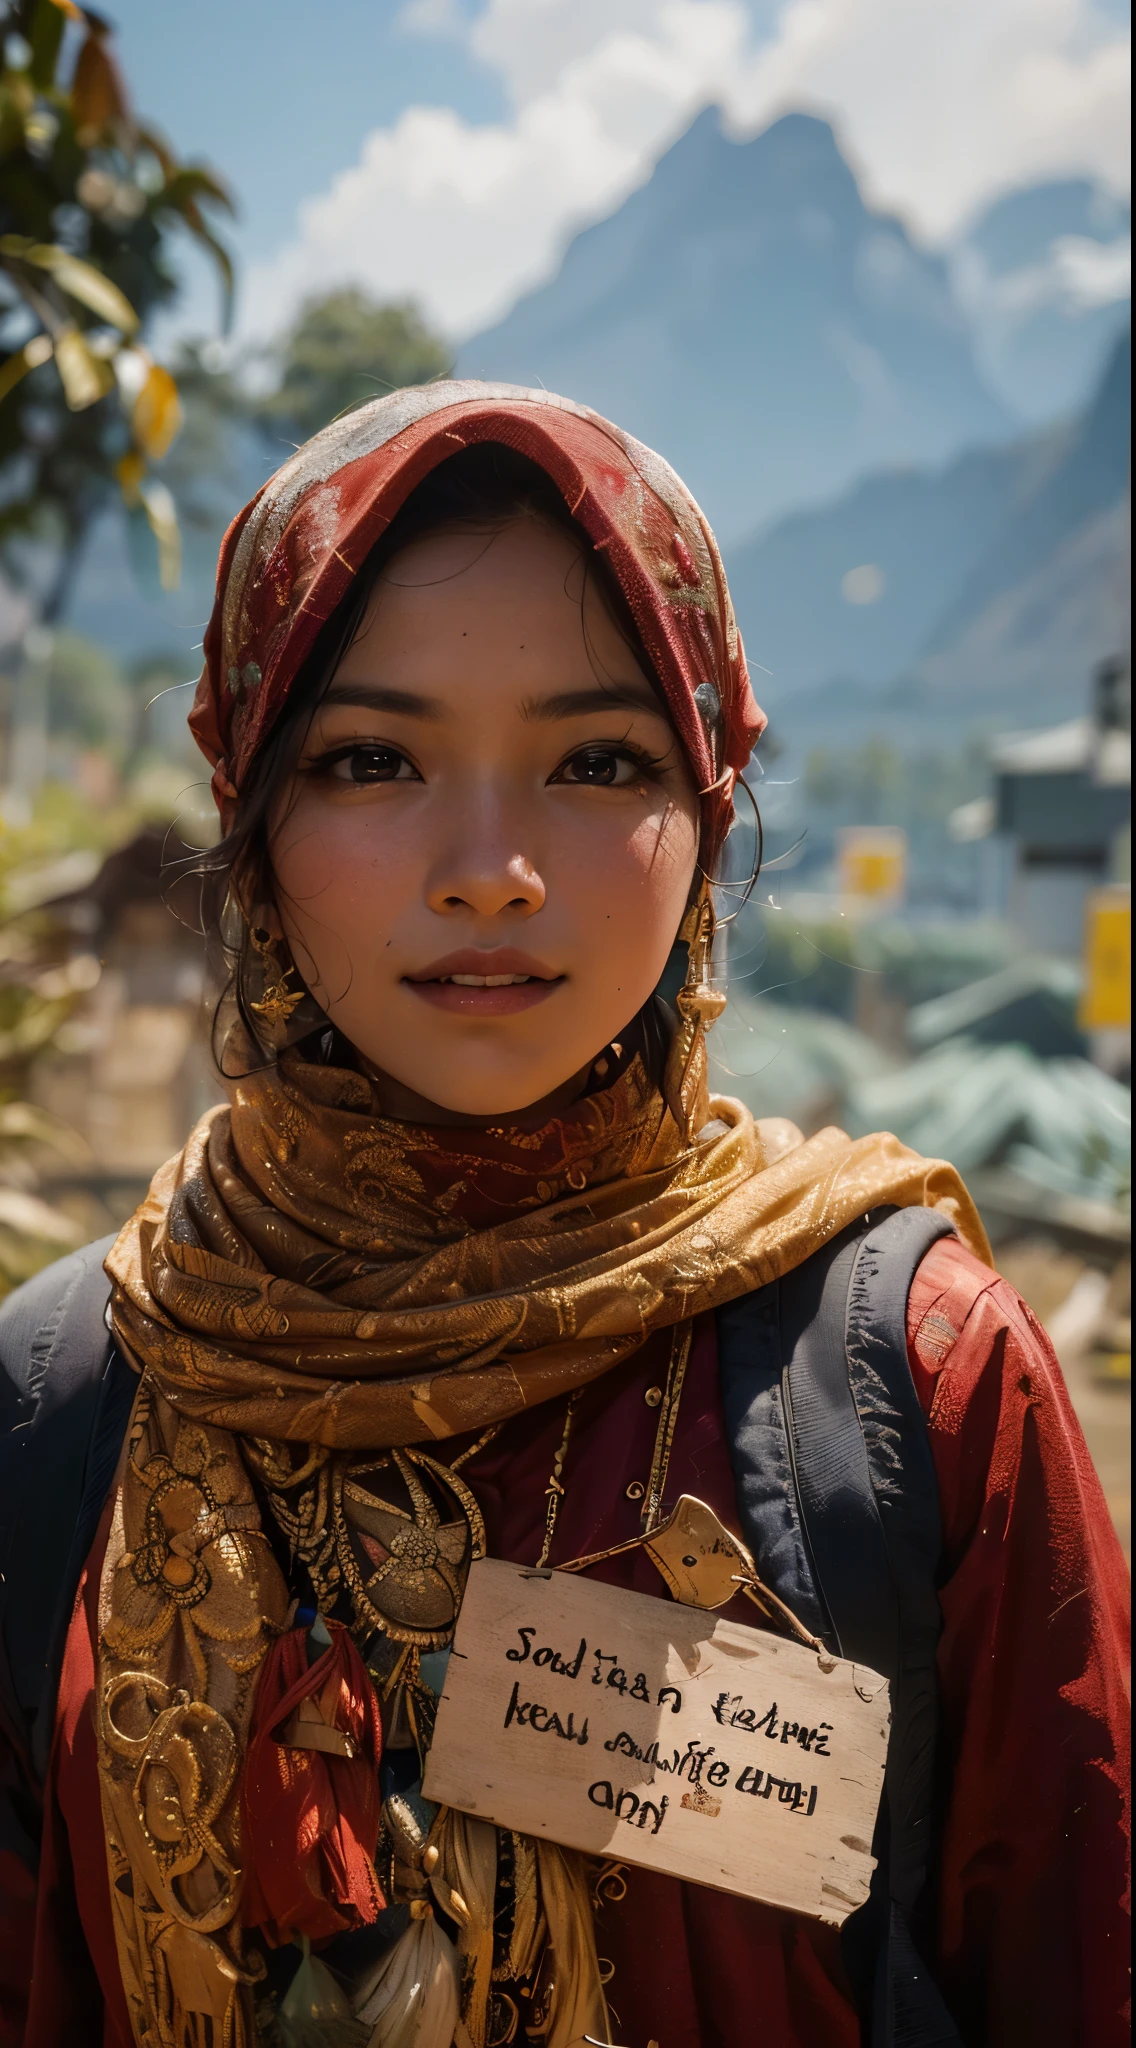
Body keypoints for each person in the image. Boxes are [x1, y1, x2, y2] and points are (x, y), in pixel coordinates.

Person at [0, 384, 1128, 2048]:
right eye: (372, 758)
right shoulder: (67, 1394)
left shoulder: (921, 1394)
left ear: (711, 816)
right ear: (252, 825)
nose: (490, 868)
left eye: (598, 761)